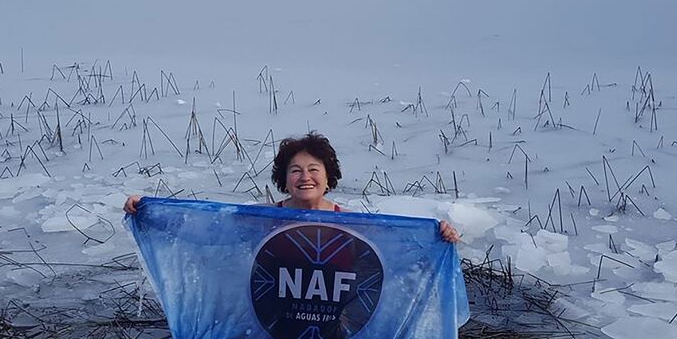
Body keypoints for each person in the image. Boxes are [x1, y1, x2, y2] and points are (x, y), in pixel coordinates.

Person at [124, 132, 461, 243]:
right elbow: (208, 228)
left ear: (328, 178)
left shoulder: (351, 223)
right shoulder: (262, 218)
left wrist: (438, 234)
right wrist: (149, 210)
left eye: (314, 170)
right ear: (283, 180)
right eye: (295, 170)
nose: (305, 177)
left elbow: (397, 245)